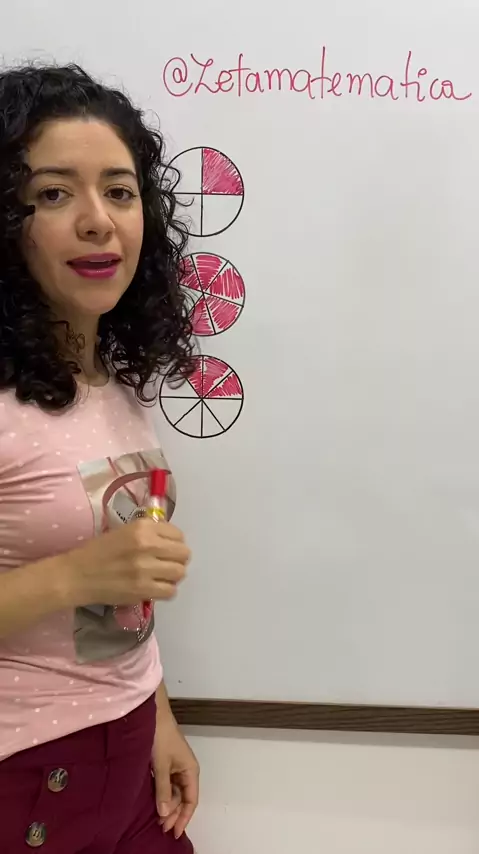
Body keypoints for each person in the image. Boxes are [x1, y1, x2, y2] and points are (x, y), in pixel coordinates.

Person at [0, 62, 200, 852]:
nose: (98, 222)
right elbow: (95, 579)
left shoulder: (116, 389)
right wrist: (75, 577)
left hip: (130, 762)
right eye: (53, 194)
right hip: (27, 777)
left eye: (119, 191)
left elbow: (123, 606)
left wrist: (158, 716)